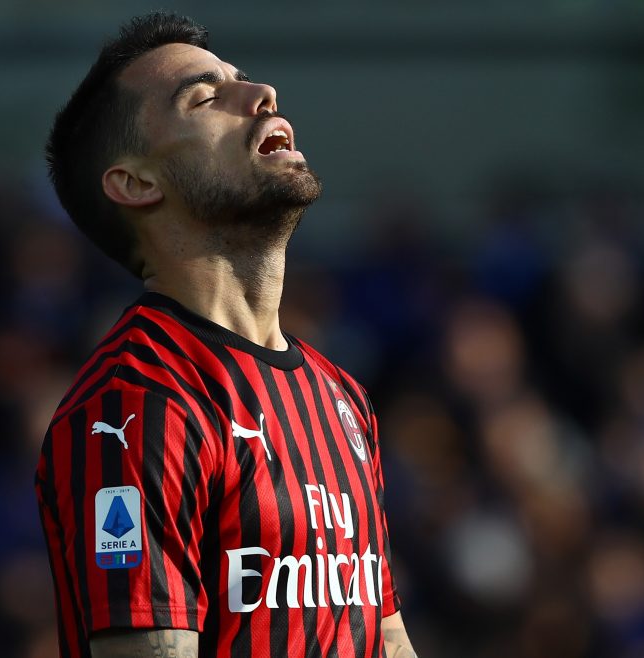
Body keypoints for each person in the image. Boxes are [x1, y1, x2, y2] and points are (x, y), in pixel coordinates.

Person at [34, 12, 418, 658]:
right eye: (205, 98)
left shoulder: (342, 399)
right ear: (136, 183)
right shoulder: (134, 407)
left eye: (243, 79)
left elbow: (386, 637)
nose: (262, 94)